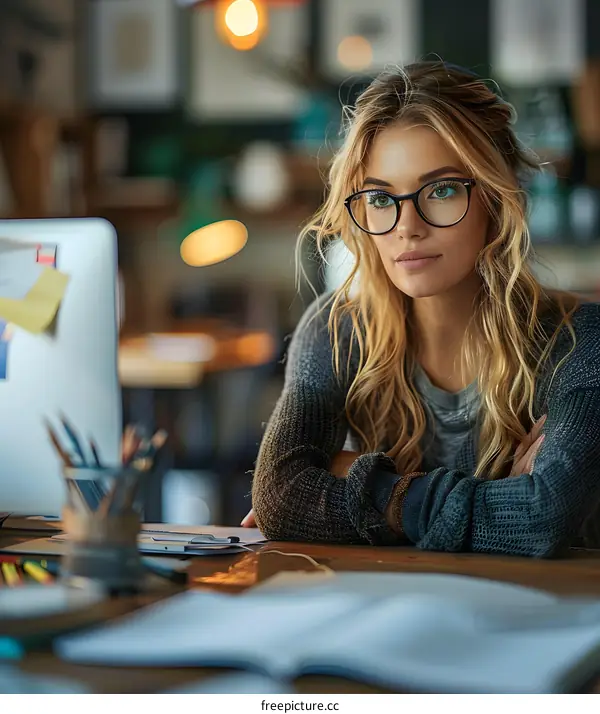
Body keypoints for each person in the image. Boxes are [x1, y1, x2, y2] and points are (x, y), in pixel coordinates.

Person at [243, 61, 600, 557]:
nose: (406, 226)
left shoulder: (582, 343)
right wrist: (492, 500)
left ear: (495, 200)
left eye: (442, 190)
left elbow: (543, 515)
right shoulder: (337, 330)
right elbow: (281, 497)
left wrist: (358, 483)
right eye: (380, 197)